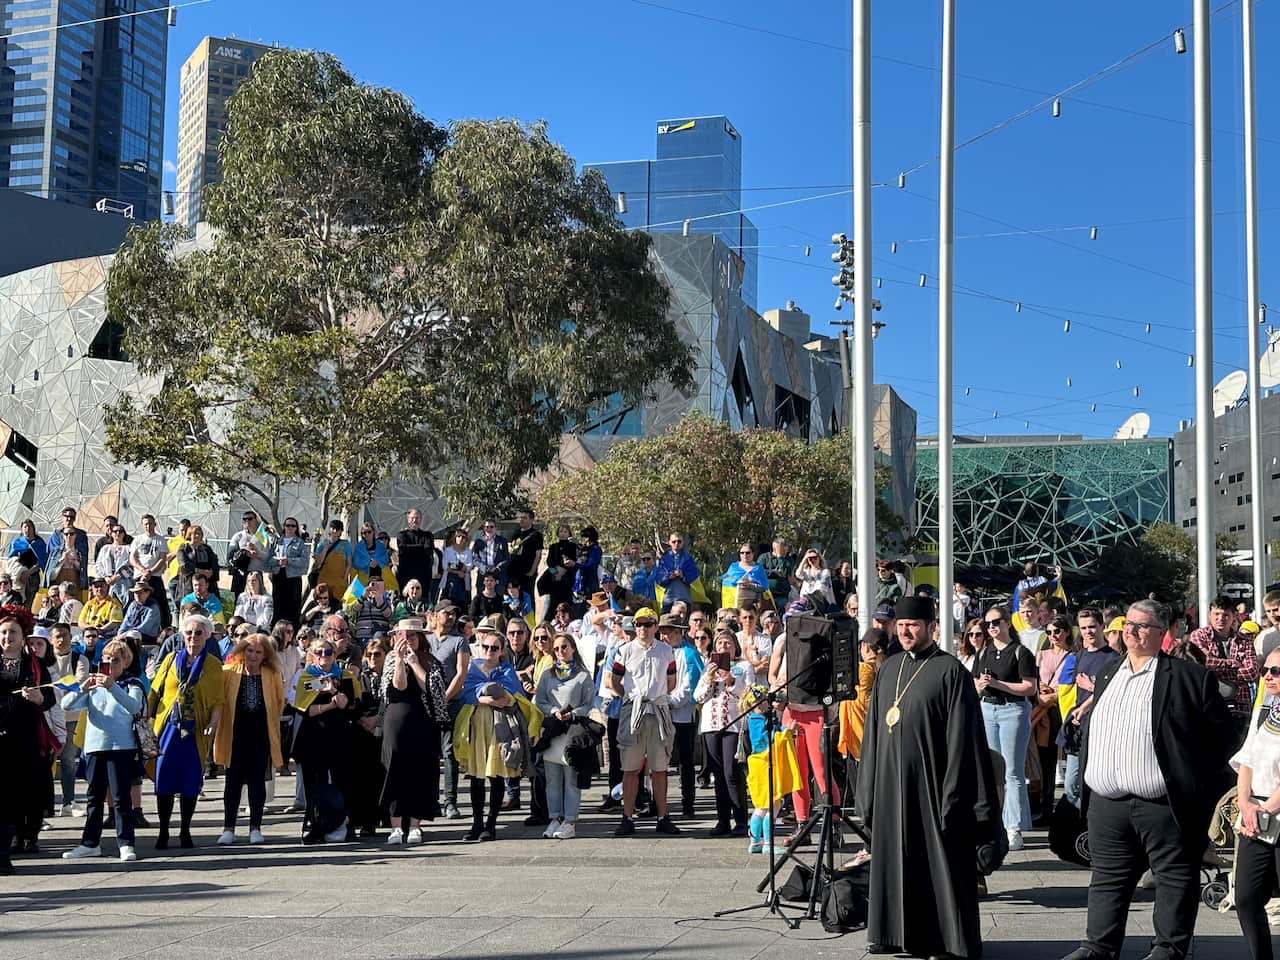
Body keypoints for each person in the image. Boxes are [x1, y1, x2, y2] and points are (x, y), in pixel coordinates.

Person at [1061, 599, 1234, 960]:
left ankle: (1168, 949)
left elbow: (1222, 740)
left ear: (1161, 633)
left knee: (1174, 879)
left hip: (1163, 804)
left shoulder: (1188, 677)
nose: (1131, 630)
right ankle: (1097, 947)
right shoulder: (1109, 671)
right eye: (1128, 623)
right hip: (1108, 805)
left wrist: (1196, 788)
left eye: (1141, 625)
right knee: (1107, 880)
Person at [857, 596, 1001, 960]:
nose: (906, 631)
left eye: (914, 625)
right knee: (892, 859)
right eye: (902, 625)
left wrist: (952, 793)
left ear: (931, 627)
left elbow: (962, 740)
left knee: (937, 866)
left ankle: (942, 941)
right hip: (891, 784)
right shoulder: (888, 668)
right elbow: (874, 731)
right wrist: (868, 787)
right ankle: (891, 933)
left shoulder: (950, 672)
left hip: (933, 787)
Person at [59, 639, 145, 862]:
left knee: (120, 798)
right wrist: (82, 688)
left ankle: (126, 843)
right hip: (95, 746)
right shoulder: (93, 686)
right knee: (93, 797)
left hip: (121, 747)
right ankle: (90, 843)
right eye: (105, 660)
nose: (109, 664)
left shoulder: (132, 683)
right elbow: (66, 705)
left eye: (115, 660)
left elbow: (134, 706)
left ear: (125, 662)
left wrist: (112, 686)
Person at [147, 613, 225, 849]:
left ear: (207, 636)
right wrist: (144, 720)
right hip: (168, 728)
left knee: (190, 781)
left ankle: (185, 830)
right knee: (164, 780)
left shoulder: (213, 665)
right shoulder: (171, 659)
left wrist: (213, 722)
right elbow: (154, 692)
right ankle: (163, 830)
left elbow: (218, 700)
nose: (193, 637)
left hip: (195, 729)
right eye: (189, 633)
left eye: (199, 633)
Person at [605, 606, 682, 837]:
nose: (643, 629)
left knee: (660, 768)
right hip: (634, 709)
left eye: (648, 624)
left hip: (657, 708)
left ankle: (662, 816)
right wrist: (631, 698)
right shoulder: (625, 650)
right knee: (630, 768)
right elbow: (615, 681)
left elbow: (671, 683)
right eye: (639, 624)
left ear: (656, 627)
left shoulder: (666, 651)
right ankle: (627, 817)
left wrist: (654, 696)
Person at [973, 603, 1037, 852]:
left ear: (1007, 623)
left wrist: (998, 684)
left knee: (1012, 770)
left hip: (1013, 710)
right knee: (992, 769)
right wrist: (980, 688)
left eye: (996, 622)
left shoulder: (1021, 652)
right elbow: (977, 681)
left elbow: (1029, 687)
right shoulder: (984, 653)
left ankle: (1014, 827)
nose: (991, 628)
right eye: (988, 624)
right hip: (988, 709)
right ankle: (995, 822)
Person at [457, 615, 526, 841]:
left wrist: (495, 697)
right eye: (485, 646)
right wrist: (485, 698)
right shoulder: (472, 668)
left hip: (499, 726)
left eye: (494, 648)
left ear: (502, 651)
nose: (489, 650)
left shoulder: (507, 671)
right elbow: (465, 694)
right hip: (477, 724)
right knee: (477, 776)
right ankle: (476, 823)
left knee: (495, 774)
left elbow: (515, 697)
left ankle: (491, 823)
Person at [214, 633, 286, 846]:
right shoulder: (228, 672)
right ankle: (228, 829)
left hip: (260, 733)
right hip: (235, 734)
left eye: (258, 652)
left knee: (257, 782)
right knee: (232, 782)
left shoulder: (271, 674)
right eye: (249, 651)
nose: (253, 656)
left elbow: (279, 701)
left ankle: (255, 827)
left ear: (265, 655)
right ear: (242, 651)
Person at [1231, 647, 1280, 960]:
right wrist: (1245, 801)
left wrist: (1267, 808)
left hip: (1272, 809)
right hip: (1256, 815)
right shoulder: (1267, 707)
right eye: (1266, 671)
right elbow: (1247, 757)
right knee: (1246, 897)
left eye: (1277, 672)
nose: (1269, 677)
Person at [381, 618, 448, 845]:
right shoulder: (391, 659)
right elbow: (396, 686)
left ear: (420, 639)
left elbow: (432, 690)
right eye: (403, 635)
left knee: (421, 771)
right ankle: (397, 826)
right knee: (395, 770)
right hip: (397, 722)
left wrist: (415, 663)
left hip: (423, 722)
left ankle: (416, 825)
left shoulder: (431, 661)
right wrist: (401, 662)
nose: (407, 640)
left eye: (412, 636)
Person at [292, 634, 363, 844]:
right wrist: (330, 704)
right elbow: (307, 710)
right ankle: (314, 825)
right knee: (314, 784)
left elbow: (348, 704)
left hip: (340, 736)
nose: (324, 656)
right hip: (314, 738)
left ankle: (346, 824)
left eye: (329, 652)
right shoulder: (307, 677)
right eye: (319, 652)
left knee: (343, 781)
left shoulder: (346, 676)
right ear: (312, 655)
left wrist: (333, 690)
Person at [534, 631, 595, 839]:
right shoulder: (548, 674)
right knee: (552, 778)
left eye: (564, 647)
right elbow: (540, 699)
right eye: (557, 648)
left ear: (573, 649)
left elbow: (588, 703)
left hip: (572, 731)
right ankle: (555, 817)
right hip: (552, 730)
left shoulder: (582, 675)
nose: (560, 651)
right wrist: (553, 711)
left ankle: (570, 819)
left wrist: (573, 713)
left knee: (571, 778)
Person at [694, 628, 753, 836]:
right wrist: (709, 678)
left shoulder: (743, 666)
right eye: (720, 644)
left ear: (735, 646)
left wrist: (731, 681)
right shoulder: (708, 668)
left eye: (727, 643)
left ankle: (741, 820)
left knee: (732, 772)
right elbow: (698, 697)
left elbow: (749, 694)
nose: (723, 647)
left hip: (733, 724)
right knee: (717, 773)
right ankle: (722, 820)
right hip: (711, 725)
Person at [1187, 594, 1259, 734]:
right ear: (1209, 615)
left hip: (1239, 706)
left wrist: (1216, 668)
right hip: (1206, 705)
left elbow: (1252, 672)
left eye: (1226, 614)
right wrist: (1232, 663)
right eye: (1217, 614)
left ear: (1233, 617)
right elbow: (1203, 663)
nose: (1221, 618)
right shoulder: (1199, 635)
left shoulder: (1244, 640)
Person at [429, 603, 470, 820]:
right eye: (447, 613)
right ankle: (431, 800)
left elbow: (461, 673)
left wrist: (443, 699)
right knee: (429, 753)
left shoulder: (459, 641)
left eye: (454, 613)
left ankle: (450, 801)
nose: (452, 616)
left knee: (449, 752)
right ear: (435, 616)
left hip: (451, 703)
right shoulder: (426, 640)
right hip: (427, 705)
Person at [1033, 613, 1074, 823]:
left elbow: (1072, 686)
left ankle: (1049, 805)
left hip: (1059, 708)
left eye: (1057, 631)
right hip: (1042, 709)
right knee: (1041, 757)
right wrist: (1041, 692)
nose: (1053, 636)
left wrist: (1054, 695)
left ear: (1066, 632)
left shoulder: (1074, 656)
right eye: (1049, 632)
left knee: (1053, 757)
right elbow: (1034, 679)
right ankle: (1041, 803)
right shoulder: (1041, 655)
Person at [129, 514, 172, 630]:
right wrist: (143, 570)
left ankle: (165, 629)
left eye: (150, 523)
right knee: (135, 603)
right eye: (146, 524)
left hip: (155, 577)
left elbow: (163, 559)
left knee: (160, 604)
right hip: (140, 576)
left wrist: (150, 572)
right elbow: (132, 558)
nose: (148, 526)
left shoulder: (161, 540)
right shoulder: (138, 539)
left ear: (155, 524)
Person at [271, 517, 310, 629]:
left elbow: (304, 561)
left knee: (293, 606)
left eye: (293, 526)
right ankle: (277, 631)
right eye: (288, 525)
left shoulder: (300, 542)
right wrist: (277, 561)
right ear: (284, 527)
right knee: (278, 605)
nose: (290, 528)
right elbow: (269, 558)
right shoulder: (277, 541)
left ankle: (292, 631)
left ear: (296, 528)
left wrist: (289, 561)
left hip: (293, 578)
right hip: (278, 576)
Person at [45, 506, 89, 594]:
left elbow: (84, 553)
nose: (69, 519)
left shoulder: (81, 535)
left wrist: (74, 554)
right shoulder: (56, 535)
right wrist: (63, 556)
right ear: (62, 517)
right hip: (59, 572)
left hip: (75, 573)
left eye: (71, 517)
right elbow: (50, 552)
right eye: (66, 516)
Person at [174, 525, 219, 603]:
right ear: (189, 535)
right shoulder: (184, 548)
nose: (197, 536)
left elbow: (214, 562)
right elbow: (184, 565)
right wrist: (201, 571)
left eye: (199, 534)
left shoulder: (207, 549)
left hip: (207, 585)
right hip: (190, 584)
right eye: (195, 533)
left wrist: (211, 571)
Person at [655, 533, 698, 614]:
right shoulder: (664, 559)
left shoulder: (688, 559)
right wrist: (668, 577)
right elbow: (659, 579)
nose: (676, 544)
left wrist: (683, 575)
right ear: (669, 542)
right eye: (674, 541)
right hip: (668, 599)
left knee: (683, 625)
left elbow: (694, 578)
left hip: (684, 598)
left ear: (683, 543)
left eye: (679, 541)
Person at [310, 520, 353, 599]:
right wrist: (325, 549)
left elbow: (349, 564)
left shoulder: (346, 545)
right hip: (324, 580)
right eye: (333, 528)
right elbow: (318, 563)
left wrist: (344, 578)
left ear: (341, 531)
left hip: (339, 582)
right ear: (329, 529)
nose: (335, 531)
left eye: (338, 529)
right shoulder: (322, 544)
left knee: (337, 605)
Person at [8, 519, 47, 605]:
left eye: (29, 526)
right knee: (17, 601)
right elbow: (11, 560)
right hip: (18, 576)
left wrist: (28, 573)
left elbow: (42, 561)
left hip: (33, 576)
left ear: (33, 528)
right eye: (25, 527)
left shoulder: (40, 543)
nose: (27, 529)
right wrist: (20, 572)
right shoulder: (16, 543)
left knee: (28, 602)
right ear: (21, 529)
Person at [507, 509, 544, 599]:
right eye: (521, 517)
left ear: (531, 520)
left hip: (527, 572)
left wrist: (532, 571)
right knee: (513, 598)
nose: (521, 520)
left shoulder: (536, 535)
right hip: (513, 571)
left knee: (527, 597)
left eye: (524, 518)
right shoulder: (516, 533)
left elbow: (538, 555)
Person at [96, 523, 134, 607]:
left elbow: (132, 566)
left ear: (124, 534)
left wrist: (118, 577)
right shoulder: (105, 548)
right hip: (107, 583)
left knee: (123, 606)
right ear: (111, 533)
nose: (118, 533)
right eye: (115, 531)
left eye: (120, 531)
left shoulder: (129, 548)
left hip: (124, 583)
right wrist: (106, 577)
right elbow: (99, 565)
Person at [761, 539, 799, 613]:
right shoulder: (764, 558)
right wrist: (772, 572)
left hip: (781, 594)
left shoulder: (788, 560)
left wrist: (780, 558)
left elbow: (783, 573)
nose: (785, 551)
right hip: (766, 594)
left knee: (782, 610)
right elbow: (759, 572)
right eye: (781, 549)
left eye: (785, 548)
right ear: (774, 548)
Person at [441, 528, 475, 606]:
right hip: (450, 580)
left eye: (463, 537)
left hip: (463, 580)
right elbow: (445, 566)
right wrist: (457, 571)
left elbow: (470, 565)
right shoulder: (448, 551)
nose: (461, 539)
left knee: (463, 603)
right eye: (458, 536)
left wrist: (463, 568)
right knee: (448, 602)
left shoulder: (468, 551)